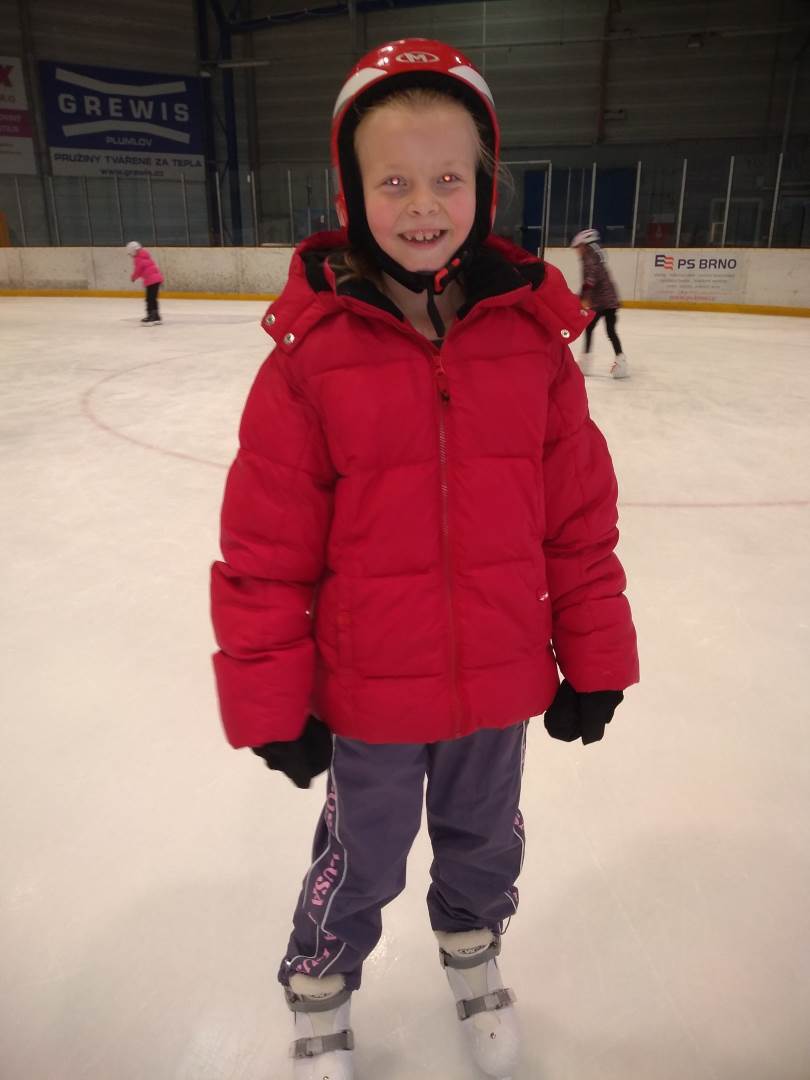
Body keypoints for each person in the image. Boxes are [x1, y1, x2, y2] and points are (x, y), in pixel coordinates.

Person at [210, 38, 639, 1080]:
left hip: (498, 677)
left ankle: (473, 951)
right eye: (392, 181)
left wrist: (595, 657)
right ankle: (321, 984)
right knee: (360, 858)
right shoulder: (312, 358)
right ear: (351, 194)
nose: (421, 205)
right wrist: (272, 700)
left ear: (484, 186)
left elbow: (579, 523)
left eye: (447, 178)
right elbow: (263, 552)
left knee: (486, 842)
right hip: (368, 690)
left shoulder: (533, 343)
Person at [570, 228, 629, 378]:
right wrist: (581, 296)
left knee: (598, 329)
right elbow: (590, 280)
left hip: (602, 302)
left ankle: (587, 363)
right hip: (608, 301)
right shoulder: (593, 256)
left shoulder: (590, 258)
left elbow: (590, 279)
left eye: (578, 247)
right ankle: (620, 362)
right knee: (608, 331)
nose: (577, 251)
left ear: (584, 245)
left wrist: (582, 297)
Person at [126, 240, 163, 324]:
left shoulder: (138, 259)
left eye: (130, 253)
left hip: (151, 281)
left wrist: (133, 277)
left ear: (133, 251)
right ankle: (156, 317)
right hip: (157, 280)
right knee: (153, 299)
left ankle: (151, 316)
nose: (131, 256)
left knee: (149, 299)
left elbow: (138, 270)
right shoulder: (145, 256)